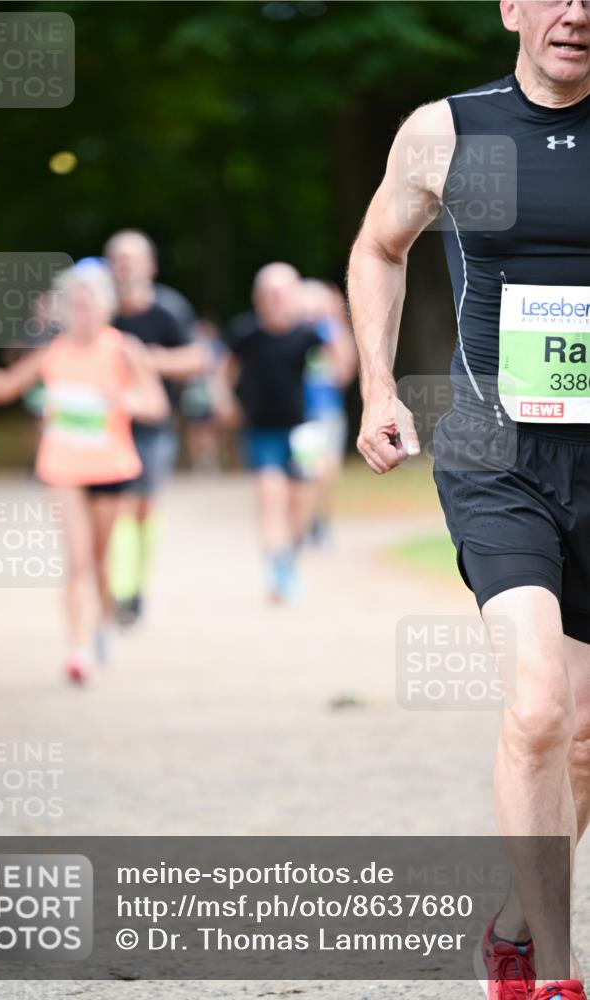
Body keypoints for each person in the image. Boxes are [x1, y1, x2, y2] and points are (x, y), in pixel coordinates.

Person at [347, 1, 589, 997]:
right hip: (497, 450)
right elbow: (377, 249)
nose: (576, 12)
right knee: (538, 706)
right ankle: (554, 970)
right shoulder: (451, 129)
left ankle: (510, 924)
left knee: (581, 740)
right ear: (511, 8)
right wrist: (376, 384)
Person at [0, 260, 169, 684]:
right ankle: (77, 650)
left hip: (111, 466)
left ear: (104, 306)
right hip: (63, 468)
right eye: (73, 304)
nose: (81, 312)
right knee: (75, 564)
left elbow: (156, 405)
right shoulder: (53, 351)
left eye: (88, 303)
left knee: (99, 562)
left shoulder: (124, 349)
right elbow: (3, 387)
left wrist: (122, 400)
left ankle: (102, 620)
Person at [223, 263, 341, 602]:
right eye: (269, 294)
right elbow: (225, 370)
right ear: (258, 298)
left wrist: (333, 322)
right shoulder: (245, 333)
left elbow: (339, 368)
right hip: (262, 430)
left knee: (300, 502)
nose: (275, 300)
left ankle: (290, 556)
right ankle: (276, 565)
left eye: (282, 293)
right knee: (270, 495)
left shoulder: (310, 335)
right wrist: (226, 400)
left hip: (302, 430)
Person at [103, 230, 204, 626]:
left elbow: (195, 359)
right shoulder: (99, 310)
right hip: (107, 426)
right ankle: (122, 591)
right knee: (121, 504)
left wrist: (145, 361)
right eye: (118, 258)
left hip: (155, 425)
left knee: (144, 507)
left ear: (151, 266)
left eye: (132, 258)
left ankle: (136, 586)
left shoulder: (169, 309)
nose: (125, 265)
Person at [299, 279, 357, 545]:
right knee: (304, 469)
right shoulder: (292, 332)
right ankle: (304, 522)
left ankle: (319, 521)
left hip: (326, 411)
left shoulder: (331, 331)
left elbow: (344, 372)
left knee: (326, 470)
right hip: (299, 413)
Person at [179, 319, 229, 473]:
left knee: (210, 430)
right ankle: (198, 463)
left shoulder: (218, 348)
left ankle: (209, 461)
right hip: (193, 395)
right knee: (194, 431)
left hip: (210, 394)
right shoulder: (189, 347)